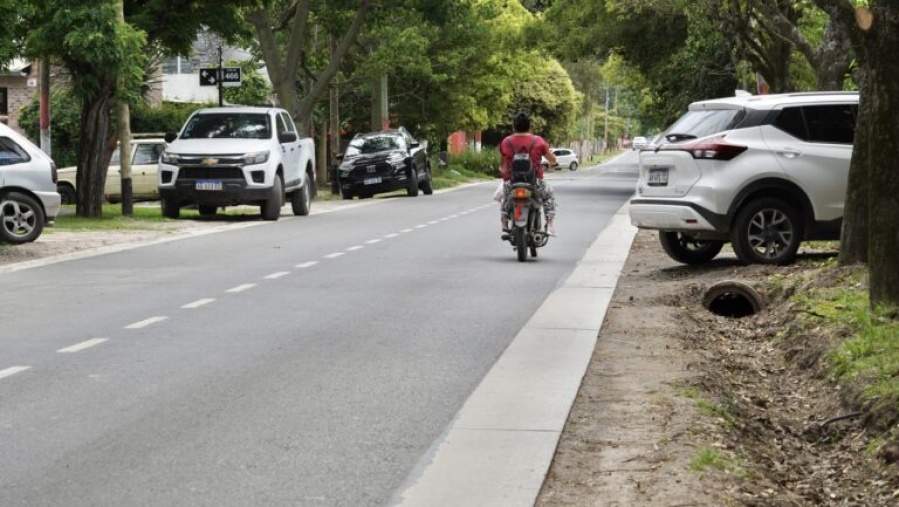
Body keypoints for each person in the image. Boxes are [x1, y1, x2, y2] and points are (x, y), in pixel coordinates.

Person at [498, 111, 558, 238]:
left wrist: (504, 174)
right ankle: (549, 224)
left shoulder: (506, 142)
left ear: (514, 126)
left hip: (512, 182)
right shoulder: (538, 141)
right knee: (549, 195)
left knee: (505, 196)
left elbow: (503, 166)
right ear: (529, 126)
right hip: (535, 182)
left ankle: (504, 223)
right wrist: (553, 161)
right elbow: (552, 160)